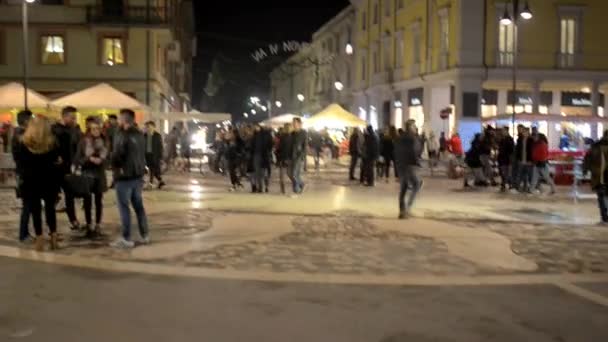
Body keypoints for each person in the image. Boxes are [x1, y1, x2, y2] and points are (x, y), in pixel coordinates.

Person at [14, 116, 61, 251]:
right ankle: (53, 237)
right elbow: (56, 161)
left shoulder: (24, 142)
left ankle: (39, 239)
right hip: (49, 179)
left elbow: (21, 163)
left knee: (35, 210)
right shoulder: (52, 143)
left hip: (31, 180)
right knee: (50, 209)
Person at [110, 109, 149, 249]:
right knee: (138, 206)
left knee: (124, 207)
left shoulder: (123, 135)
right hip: (137, 175)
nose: (118, 121)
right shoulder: (139, 135)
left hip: (124, 176)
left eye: (120, 119)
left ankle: (126, 238)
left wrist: (112, 163)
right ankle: (145, 235)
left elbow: (118, 155)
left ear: (124, 120)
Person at [74, 119, 108, 237]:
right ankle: (89, 224)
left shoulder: (104, 140)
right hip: (87, 173)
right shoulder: (84, 141)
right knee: (87, 201)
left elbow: (108, 156)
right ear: (89, 129)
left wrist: (102, 160)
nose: (96, 131)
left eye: (98, 128)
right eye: (93, 128)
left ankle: (98, 224)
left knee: (99, 200)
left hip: (99, 173)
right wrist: (89, 159)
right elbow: (78, 158)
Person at [52, 106, 80, 230]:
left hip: (68, 168)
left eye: (75, 118)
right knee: (52, 197)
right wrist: (55, 157)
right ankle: (51, 227)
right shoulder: (54, 129)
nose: (74, 120)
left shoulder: (73, 130)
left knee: (70, 194)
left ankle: (73, 219)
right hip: (55, 169)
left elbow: (76, 148)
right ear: (64, 116)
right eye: (72, 117)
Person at [11, 110, 33, 243]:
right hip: (25, 173)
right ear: (26, 121)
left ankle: (25, 232)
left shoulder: (18, 134)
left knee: (28, 204)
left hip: (23, 172)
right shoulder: (21, 136)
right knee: (28, 204)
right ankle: (23, 234)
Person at [394, 120, 422, 219]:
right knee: (417, 184)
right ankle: (407, 208)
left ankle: (402, 211)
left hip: (400, 165)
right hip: (410, 165)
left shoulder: (399, 138)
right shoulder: (412, 138)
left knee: (404, 188)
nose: (415, 128)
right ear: (410, 127)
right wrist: (417, 162)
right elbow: (414, 152)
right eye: (414, 126)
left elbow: (396, 153)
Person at [584, 130, 608, 224]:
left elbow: (587, 159)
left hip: (598, 176)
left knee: (601, 197)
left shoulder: (595, 146)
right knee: (604, 196)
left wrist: (585, 170)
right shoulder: (595, 146)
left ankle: (604, 217)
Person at [144, 121, 165, 189]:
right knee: (153, 170)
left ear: (153, 127)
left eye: (149, 126)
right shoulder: (144, 135)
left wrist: (161, 157)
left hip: (155, 156)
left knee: (152, 169)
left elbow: (160, 147)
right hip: (146, 155)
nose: (148, 128)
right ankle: (160, 181)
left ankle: (150, 183)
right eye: (147, 127)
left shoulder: (157, 136)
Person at [290, 117, 307, 194]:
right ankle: (301, 184)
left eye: (295, 123)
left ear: (299, 124)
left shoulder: (303, 133)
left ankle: (297, 189)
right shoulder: (292, 133)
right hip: (292, 155)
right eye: (293, 123)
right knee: (291, 173)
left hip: (299, 156)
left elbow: (305, 145)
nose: (294, 124)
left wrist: (302, 155)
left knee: (295, 173)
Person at [514, 127, 533, 192]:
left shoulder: (531, 140)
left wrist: (531, 160)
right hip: (521, 160)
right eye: (524, 132)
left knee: (529, 175)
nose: (524, 133)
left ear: (528, 132)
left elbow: (532, 151)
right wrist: (518, 158)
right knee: (520, 175)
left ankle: (530, 188)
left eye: (526, 132)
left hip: (528, 161)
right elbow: (517, 150)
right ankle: (518, 187)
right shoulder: (520, 140)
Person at [276, 123, 293, 194]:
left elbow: (280, 148)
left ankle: (284, 190)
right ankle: (283, 190)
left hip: (286, 158)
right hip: (286, 158)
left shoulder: (287, 137)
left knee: (287, 175)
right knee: (286, 175)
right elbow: (280, 148)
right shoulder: (288, 137)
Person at [497, 127, 515, 192]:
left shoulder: (510, 139)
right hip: (501, 158)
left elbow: (511, 150)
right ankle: (504, 184)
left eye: (503, 131)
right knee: (503, 173)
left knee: (507, 173)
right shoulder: (502, 139)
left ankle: (509, 184)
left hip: (507, 158)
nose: (502, 132)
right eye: (502, 131)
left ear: (507, 131)